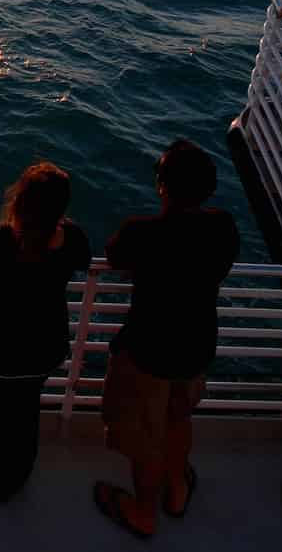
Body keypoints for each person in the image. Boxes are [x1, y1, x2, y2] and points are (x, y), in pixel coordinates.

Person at [93, 140, 239, 539]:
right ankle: (177, 491)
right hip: (197, 345)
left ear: (162, 186)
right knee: (179, 418)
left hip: (149, 350)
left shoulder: (143, 232)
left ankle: (143, 511)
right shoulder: (223, 226)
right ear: (208, 188)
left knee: (146, 437)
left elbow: (115, 256)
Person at [0, 161, 91, 503]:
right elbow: (86, 260)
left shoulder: (5, 237)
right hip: (44, 348)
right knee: (26, 409)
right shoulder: (72, 237)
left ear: (21, 199)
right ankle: (19, 472)